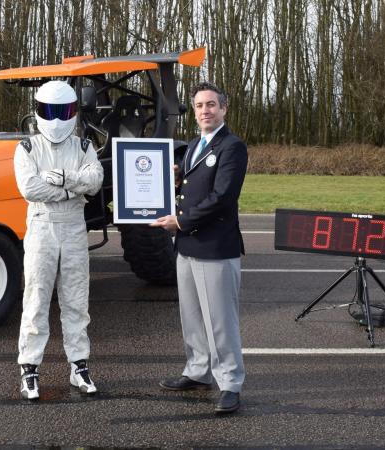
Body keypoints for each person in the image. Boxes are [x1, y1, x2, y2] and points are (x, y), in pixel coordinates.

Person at [151, 81, 248, 414]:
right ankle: (197, 370)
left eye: (211, 104)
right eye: (199, 106)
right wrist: (176, 180)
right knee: (191, 316)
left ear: (223, 108)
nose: (205, 111)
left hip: (216, 247)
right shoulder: (194, 145)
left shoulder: (232, 146)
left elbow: (222, 198)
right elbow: (191, 188)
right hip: (189, 245)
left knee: (220, 320)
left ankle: (231, 383)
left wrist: (178, 222)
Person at [13, 80, 104, 400]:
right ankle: (29, 368)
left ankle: (79, 366)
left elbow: (94, 181)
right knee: (36, 299)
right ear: (38, 111)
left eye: (61, 111)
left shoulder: (83, 146)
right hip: (41, 227)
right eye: (49, 111)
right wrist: (72, 191)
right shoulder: (26, 147)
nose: (55, 118)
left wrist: (66, 181)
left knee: (76, 300)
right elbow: (30, 189)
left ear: (73, 112)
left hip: (74, 228)